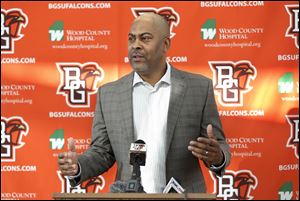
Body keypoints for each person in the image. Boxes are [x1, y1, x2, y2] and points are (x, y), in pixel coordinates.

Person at [58, 13, 231, 193]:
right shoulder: (109, 94)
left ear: (165, 45)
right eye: (131, 39)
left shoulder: (198, 88)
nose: (136, 45)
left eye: (145, 38)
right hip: (127, 196)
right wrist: (77, 166)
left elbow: (217, 144)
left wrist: (217, 157)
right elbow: (102, 152)